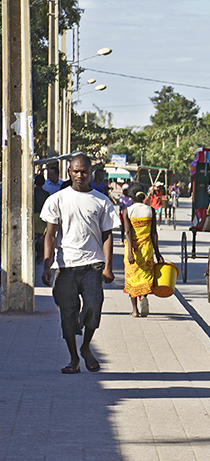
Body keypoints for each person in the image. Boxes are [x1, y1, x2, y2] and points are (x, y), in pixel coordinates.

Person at [40, 154, 119, 374]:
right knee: (68, 314)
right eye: (76, 171)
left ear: (91, 173)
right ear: (69, 172)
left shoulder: (101, 200)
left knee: (94, 305)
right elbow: (50, 235)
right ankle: (74, 359)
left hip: (92, 265)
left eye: (84, 171)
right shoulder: (58, 199)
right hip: (66, 266)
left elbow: (107, 235)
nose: (80, 175)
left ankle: (86, 347)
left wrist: (108, 266)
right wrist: (47, 265)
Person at [123, 182, 164, 317]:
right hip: (147, 249)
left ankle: (135, 310)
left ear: (130, 196)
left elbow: (128, 233)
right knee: (145, 276)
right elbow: (154, 233)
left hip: (133, 249)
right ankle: (144, 296)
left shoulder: (127, 211)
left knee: (132, 278)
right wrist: (158, 254)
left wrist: (129, 252)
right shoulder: (150, 210)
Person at [33, 173, 50, 264]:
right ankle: (40, 255)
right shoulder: (46, 194)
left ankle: (36, 254)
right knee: (42, 237)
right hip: (43, 217)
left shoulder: (32, 193)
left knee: (34, 237)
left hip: (34, 216)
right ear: (43, 183)